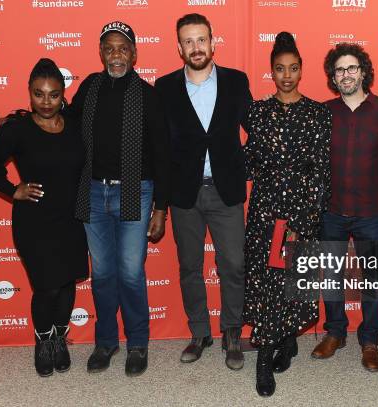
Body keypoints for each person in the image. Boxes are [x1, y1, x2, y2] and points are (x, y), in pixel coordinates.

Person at [0, 21, 171, 377]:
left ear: (134, 53)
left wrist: (161, 207)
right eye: (109, 48)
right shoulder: (89, 87)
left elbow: (163, 154)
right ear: (101, 53)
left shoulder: (148, 95)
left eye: (122, 48)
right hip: (92, 192)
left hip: (136, 190)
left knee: (130, 273)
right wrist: (10, 120)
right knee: (101, 274)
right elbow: (55, 117)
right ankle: (106, 342)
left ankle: (137, 343)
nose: (116, 54)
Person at [0, 58, 89, 377]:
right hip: (34, 222)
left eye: (53, 94)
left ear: (63, 94)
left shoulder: (75, 123)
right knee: (47, 287)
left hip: (72, 219)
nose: (46, 102)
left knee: (66, 284)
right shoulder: (17, 128)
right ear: (29, 93)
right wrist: (12, 189)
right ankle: (42, 342)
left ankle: (59, 339)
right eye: (39, 94)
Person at [154, 13, 252, 370]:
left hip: (226, 191)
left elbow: (256, 129)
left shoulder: (236, 82)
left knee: (234, 265)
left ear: (213, 42)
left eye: (201, 40)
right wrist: (160, 204)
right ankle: (199, 332)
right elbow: (159, 149)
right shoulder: (164, 88)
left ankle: (231, 332)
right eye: (189, 41)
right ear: (179, 47)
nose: (196, 47)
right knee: (189, 266)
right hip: (185, 193)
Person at [243, 32, 331, 397]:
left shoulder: (317, 113)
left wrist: (306, 217)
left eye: (293, 68)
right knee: (266, 282)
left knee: (292, 284)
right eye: (280, 69)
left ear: (301, 70)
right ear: (271, 72)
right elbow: (249, 162)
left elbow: (322, 170)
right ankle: (269, 353)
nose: (287, 76)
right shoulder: (258, 113)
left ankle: (280, 345)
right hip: (265, 214)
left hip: (300, 214)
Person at [310, 43, 378, 373]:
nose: (346, 74)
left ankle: (369, 340)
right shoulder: (322, 112)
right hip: (332, 211)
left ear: (364, 71)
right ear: (332, 76)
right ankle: (335, 332)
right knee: (330, 277)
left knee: (374, 279)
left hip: (373, 211)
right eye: (339, 69)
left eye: (352, 68)